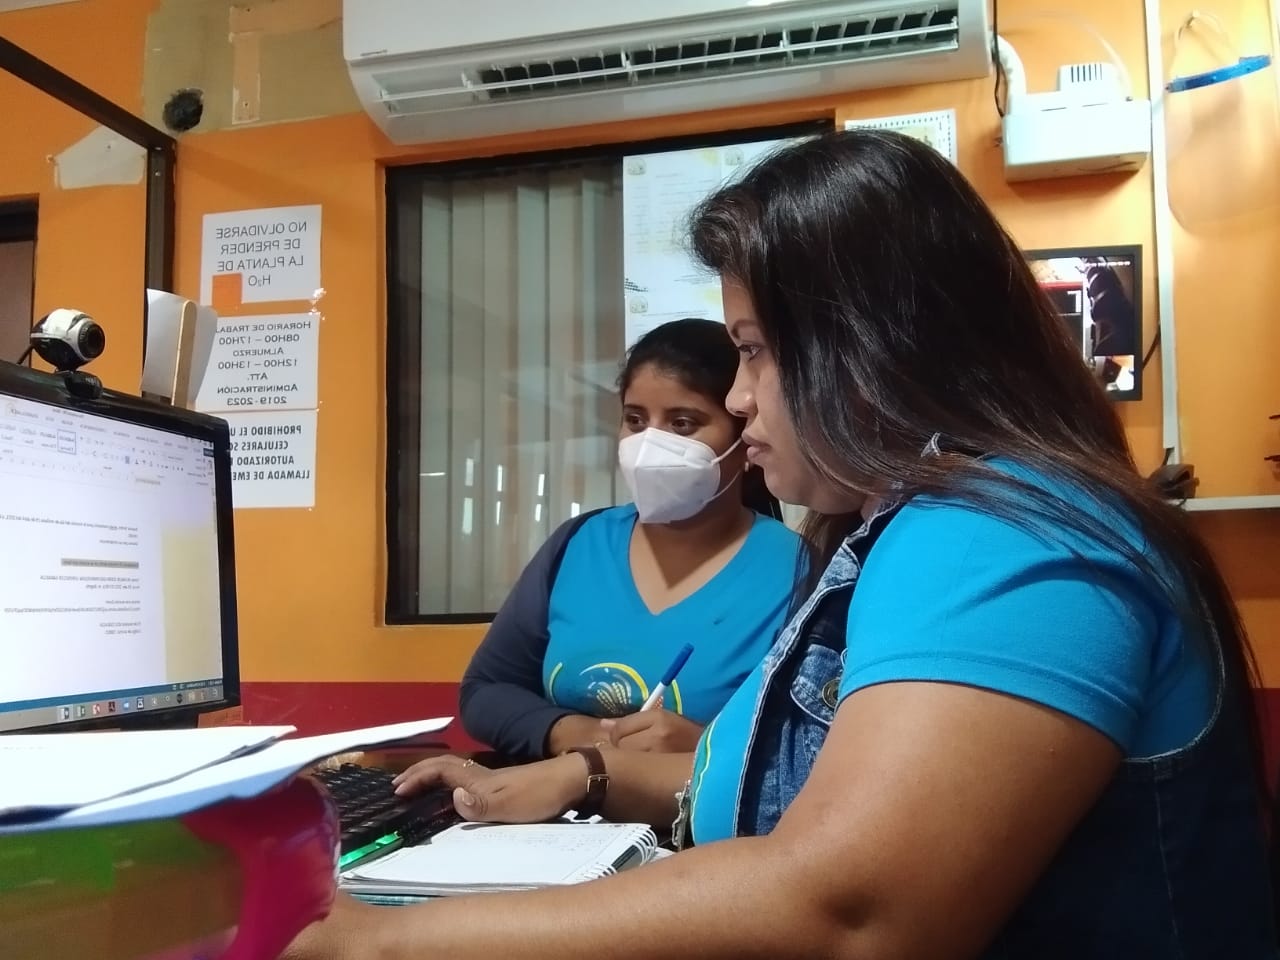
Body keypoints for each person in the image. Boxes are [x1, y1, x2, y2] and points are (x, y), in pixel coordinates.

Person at [285, 130, 1276, 960]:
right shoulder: (911, 528)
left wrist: (377, 943)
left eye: (753, 351)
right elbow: (799, 785)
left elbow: (852, 909)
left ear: (874, 343)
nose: (737, 396)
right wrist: (588, 773)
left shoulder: (997, 532)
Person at [458, 317, 803, 760]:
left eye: (683, 424)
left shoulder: (798, 572)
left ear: (746, 439)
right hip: (557, 803)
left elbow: (813, 745)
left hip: (695, 807)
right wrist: (574, 734)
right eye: (635, 420)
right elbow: (486, 690)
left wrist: (704, 750)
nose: (649, 444)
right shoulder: (578, 545)